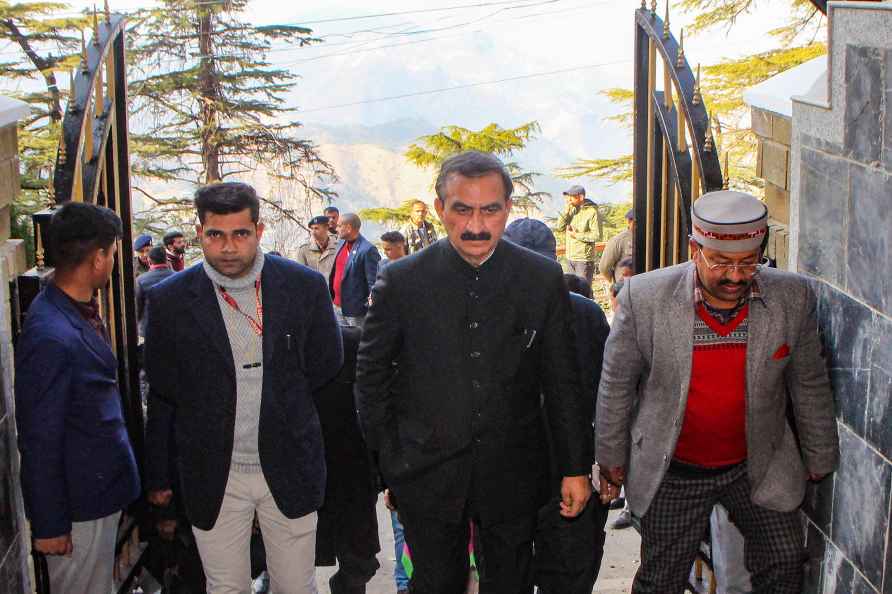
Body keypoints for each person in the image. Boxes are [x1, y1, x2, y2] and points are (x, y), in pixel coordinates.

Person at [356, 151, 592, 594]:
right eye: (462, 209)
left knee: (512, 584)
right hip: (425, 474)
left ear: (508, 208)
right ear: (441, 208)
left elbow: (562, 380)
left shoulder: (540, 278)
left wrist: (575, 468)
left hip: (516, 474)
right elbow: (371, 381)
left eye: (490, 210)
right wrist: (392, 464)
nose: (477, 226)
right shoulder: (402, 282)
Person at [596, 190, 839, 594]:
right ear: (695, 249)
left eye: (748, 263)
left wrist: (819, 454)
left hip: (756, 464)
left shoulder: (791, 297)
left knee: (784, 560)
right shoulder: (645, 297)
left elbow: (808, 380)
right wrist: (610, 460)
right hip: (674, 468)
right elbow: (616, 384)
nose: (736, 276)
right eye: (721, 262)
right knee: (661, 578)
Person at [144, 182, 343, 594]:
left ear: (259, 229)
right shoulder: (171, 301)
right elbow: (163, 393)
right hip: (213, 472)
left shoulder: (303, 288)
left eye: (240, 234)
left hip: (289, 463)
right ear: (200, 233)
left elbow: (327, 368)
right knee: (225, 588)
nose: (228, 247)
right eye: (216, 235)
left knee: (295, 586)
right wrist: (159, 477)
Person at [15, 202, 141, 594]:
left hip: (97, 495)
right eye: (113, 251)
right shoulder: (51, 334)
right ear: (99, 257)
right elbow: (39, 435)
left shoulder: (71, 310)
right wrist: (51, 523)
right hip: (77, 507)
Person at [503, 220, 610, 594]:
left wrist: (605, 467)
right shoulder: (480, 311)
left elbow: (608, 394)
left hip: (570, 474)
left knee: (569, 574)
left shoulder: (585, 315)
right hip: (506, 477)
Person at [314, 325, 381, 594]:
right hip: (307, 468)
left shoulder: (350, 341)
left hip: (352, 468)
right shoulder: (284, 342)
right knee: (292, 562)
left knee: (360, 563)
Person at [329, 213, 380, 327]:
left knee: (357, 343)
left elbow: (374, 282)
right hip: (336, 307)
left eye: (339, 226)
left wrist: (368, 307)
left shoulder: (367, 249)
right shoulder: (341, 243)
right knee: (341, 343)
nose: (336, 229)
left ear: (348, 228)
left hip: (356, 312)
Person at [554, 185, 602, 284]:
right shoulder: (571, 210)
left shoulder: (592, 212)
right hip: (570, 258)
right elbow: (559, 228)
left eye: (572, 196)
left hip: (584, 260)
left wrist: (577, 235)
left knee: (583, 290)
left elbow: (597, 235)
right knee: (571, 291)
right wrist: (566, 212)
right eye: (568, 197)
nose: (569, 200)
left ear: (581, 197)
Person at [135, 245, 174, 337]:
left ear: (150, 260)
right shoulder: (178, 276)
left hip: (148, 329)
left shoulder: (141, 280)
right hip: (172, 328)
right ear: (166, 259)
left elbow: (138, 307)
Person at [599, 209, 635, 283]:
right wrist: (614, 281)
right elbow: (604, 267)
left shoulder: (649, 238)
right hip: (624, 286)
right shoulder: (618, 240)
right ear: (629, 221)